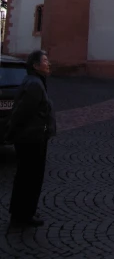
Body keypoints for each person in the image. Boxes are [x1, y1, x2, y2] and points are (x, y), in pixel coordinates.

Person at [6, 50, 56, 229]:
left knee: (28, 177)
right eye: (45, 60)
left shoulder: (36, 82)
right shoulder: (35, 85)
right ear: (35, 66)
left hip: (32, 137)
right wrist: (13, 132)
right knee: (29, 177)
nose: (48, 63)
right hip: (31, 139)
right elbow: (22, 112)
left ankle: (23, 212)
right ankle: (22, 215)